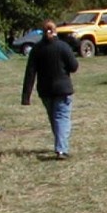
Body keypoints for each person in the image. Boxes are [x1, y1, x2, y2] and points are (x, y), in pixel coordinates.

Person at [21, 19, 79, 160]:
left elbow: (30, 73)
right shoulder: (63, 46)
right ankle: (61, 149)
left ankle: (60, 145)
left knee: (55, 119)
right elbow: (74, 66)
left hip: (45, 90)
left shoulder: (37, 49)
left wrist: (26, 96)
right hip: (62, 89)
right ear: (55, 31)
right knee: (62, 119)